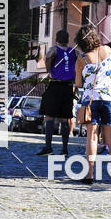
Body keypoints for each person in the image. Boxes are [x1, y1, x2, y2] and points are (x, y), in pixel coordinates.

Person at [74, 26, 111, 184]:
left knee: (92, 138)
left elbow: (79, 83)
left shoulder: (82, 58)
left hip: (91, 101)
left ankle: (90, 175)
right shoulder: (108, 50)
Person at [37, 29, 77, 157]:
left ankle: (48, 147)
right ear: (67, 39)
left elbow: (48, 57)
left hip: (55, 84)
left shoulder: (54, 50)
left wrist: (50, 71)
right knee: (65, 118)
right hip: (68, 87)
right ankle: (64, 149)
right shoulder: (73, 51)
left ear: (56, 39)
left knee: (49, 116)